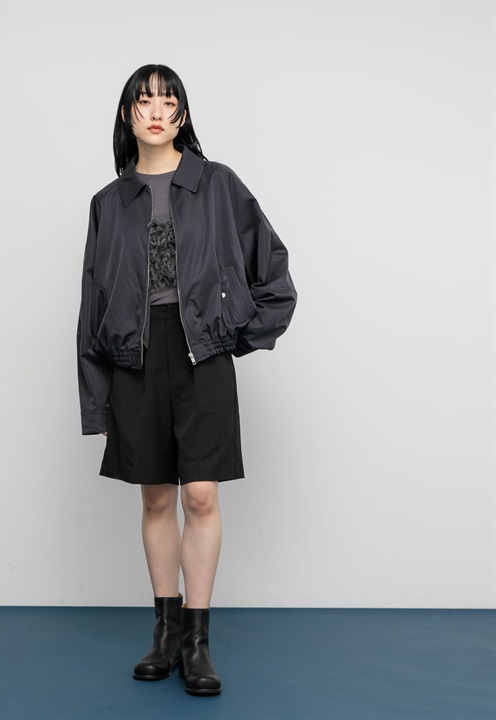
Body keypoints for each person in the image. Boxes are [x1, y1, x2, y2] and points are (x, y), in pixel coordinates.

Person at [76, 63, 297, 696]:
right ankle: (165, 634)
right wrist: (96, 403)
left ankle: (198, 641)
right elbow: (92, 306)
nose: (155, 111)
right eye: (143, 100)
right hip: (135, 357)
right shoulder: (108, 203)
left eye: (167, 100)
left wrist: (233, 334)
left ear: (182, 114)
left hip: (202, 353)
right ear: (128, 115)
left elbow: (273, 271)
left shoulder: (217, 184)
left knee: (200, 494)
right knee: (155, 496)